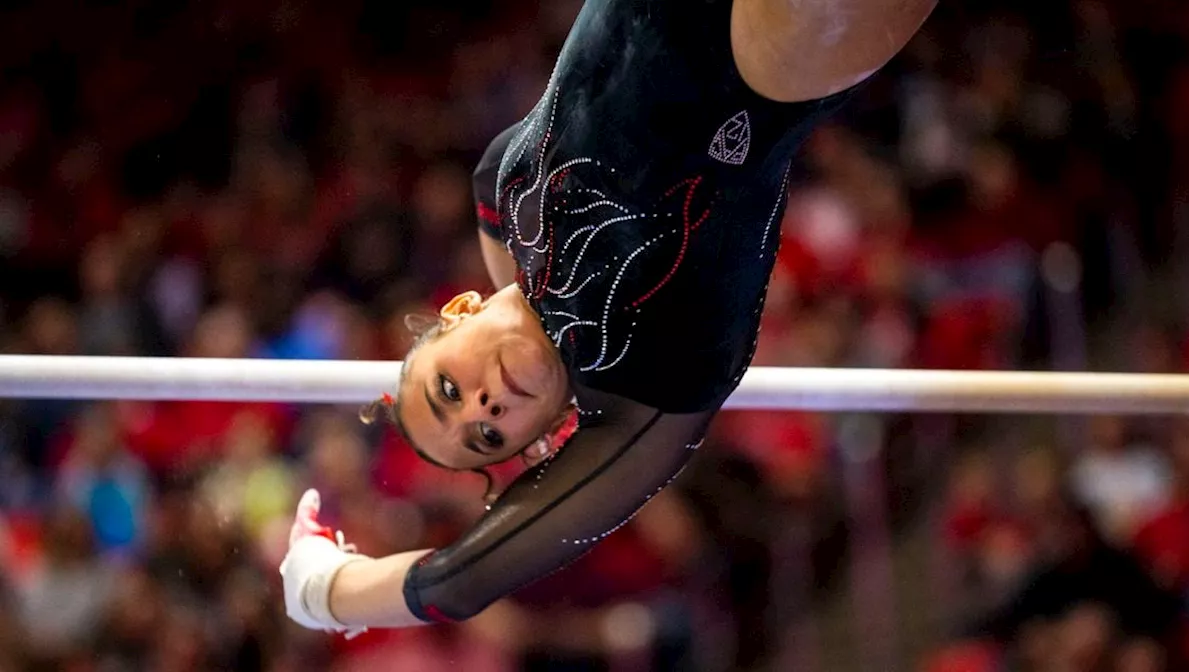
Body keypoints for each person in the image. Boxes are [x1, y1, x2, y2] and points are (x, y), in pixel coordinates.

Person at [280, 0, 937, 634]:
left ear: (456, 311)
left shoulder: (508, 204)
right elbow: (457, 583)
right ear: (543, 441)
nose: (482, 406)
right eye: (488, 437)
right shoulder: (638, 400)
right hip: (769, 50)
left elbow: (490, 184)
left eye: (448, 390)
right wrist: (321, 591)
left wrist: (514, 297)